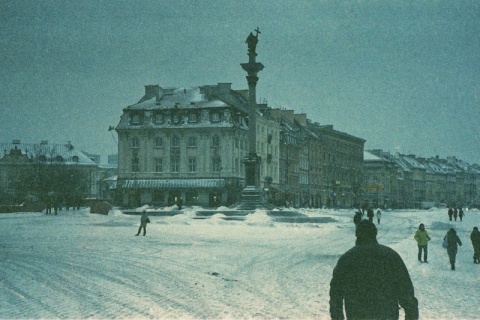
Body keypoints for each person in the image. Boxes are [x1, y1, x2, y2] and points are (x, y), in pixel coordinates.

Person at [330, 220, 419, 319]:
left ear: (357, 234)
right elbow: (406, 291)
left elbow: (335, 294)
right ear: (375, 234)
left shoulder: (347, 258)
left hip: (357, 315)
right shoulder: (390, 256)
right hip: (386, 315)